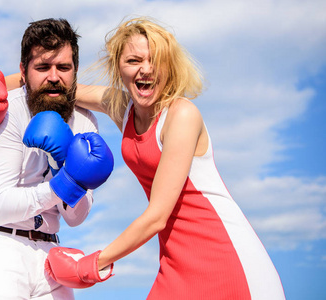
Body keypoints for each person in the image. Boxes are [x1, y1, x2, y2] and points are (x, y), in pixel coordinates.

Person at [44, 17, 286, 299]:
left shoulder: (181, 115)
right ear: (118, 67)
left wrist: (93, 264)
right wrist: (0, 82)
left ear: (170, 66)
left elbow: (158, 216)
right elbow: (54, 86)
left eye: (155, 60)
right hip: (176, 264)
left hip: (227, 261)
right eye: (134, 60)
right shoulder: (124, 109)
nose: (145, 69)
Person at [0, 18, 113, 300]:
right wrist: (64, 184)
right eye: (42, 67)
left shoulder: (85, 122)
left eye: (63, 68)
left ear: (75, 71)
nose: (53, 77)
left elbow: (77, 217)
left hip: (50, 256)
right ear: (23, 71)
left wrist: (62, 171)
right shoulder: (6, 113)